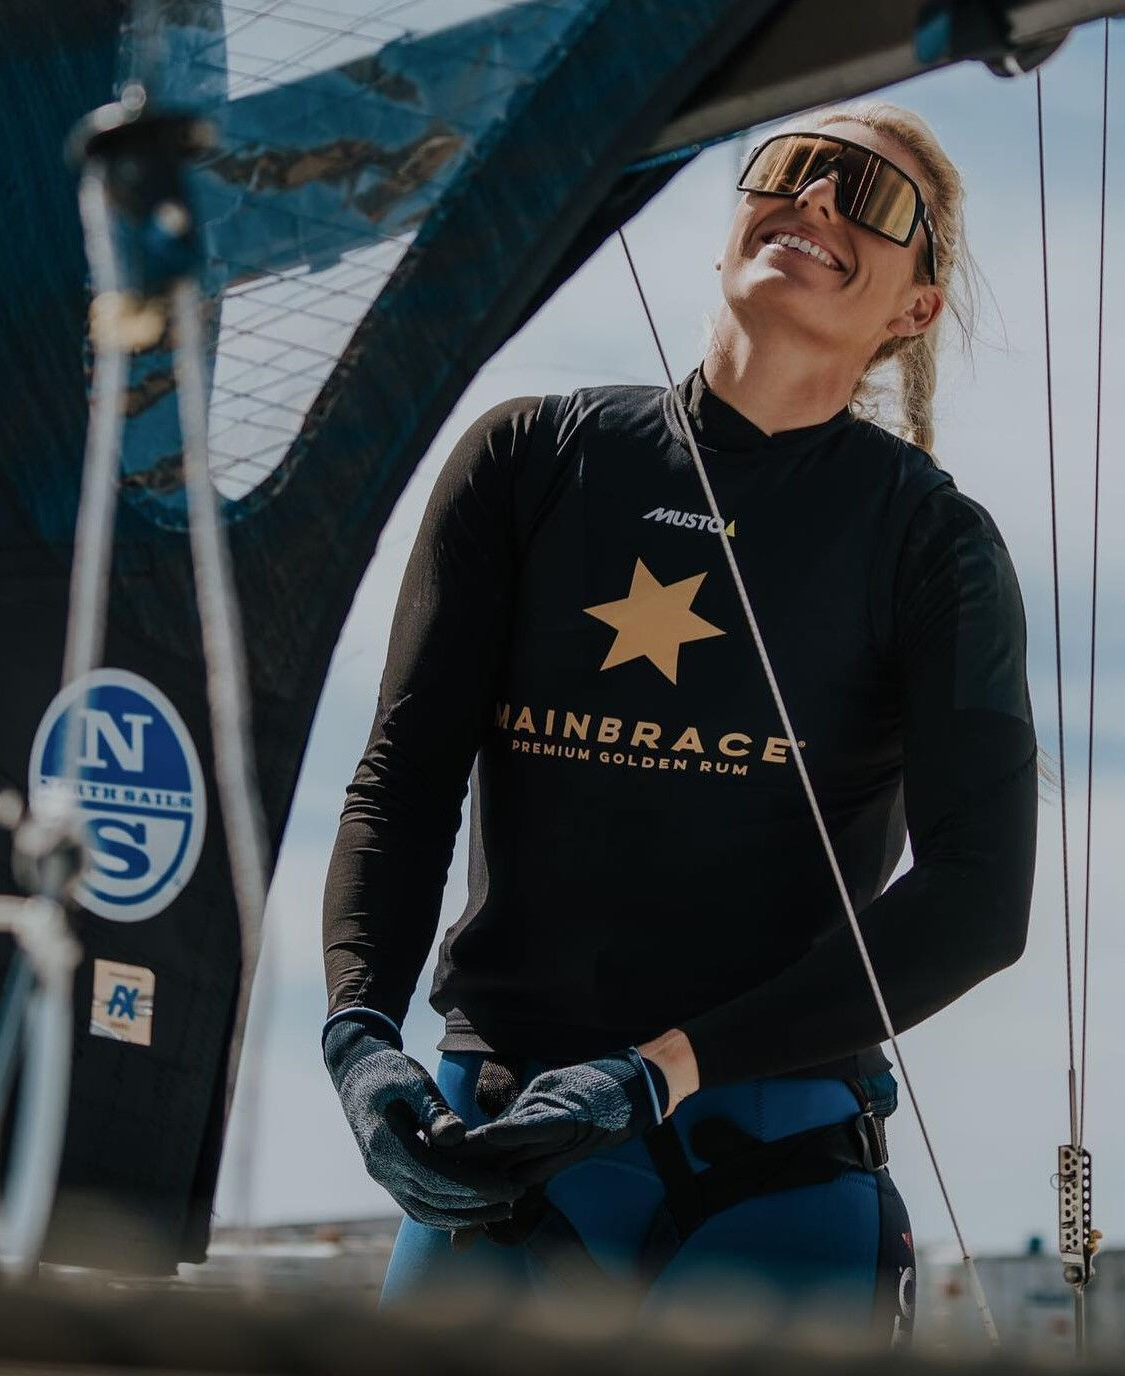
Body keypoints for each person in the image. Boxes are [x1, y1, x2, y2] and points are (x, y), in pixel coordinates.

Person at [320, 101, 1037, 1336]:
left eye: (869, 200)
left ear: (913, 307)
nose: (815, 204)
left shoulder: (932, 544)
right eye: (792, 172)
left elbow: (978, 899)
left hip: (773, 1161)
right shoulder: (529, 457)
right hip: (494, 1147)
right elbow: (402, 780)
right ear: (726, 231)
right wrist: (359, 1039)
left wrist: (658, 1070)